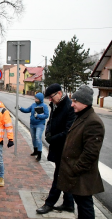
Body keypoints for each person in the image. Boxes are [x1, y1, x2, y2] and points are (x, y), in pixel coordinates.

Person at [57, 85, 104, 219]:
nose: (72, 105)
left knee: (85, 206)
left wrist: (75, 169)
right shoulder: (82, 116)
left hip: (82, 175)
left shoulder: (93, 122)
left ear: (84, 103)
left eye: (75, 101)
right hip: (76, 174)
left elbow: (90, 153)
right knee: (81, 205)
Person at [36, 83, 75, 214]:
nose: (50, 100)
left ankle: (49, 204)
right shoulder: (56, 105)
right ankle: (69, 203)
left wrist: (53, 138)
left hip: (65, 149)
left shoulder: (69, 107)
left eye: (51, 97)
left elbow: (68, 131)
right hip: (57, 146)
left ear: (59, 93)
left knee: (58, 177)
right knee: (64, 175)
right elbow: (50, 121)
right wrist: (47, 132)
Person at [18, 92, 49, 161]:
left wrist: (38, 116)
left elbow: (46, 115)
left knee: (38, 137)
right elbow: (27, 110)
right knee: (33, 138)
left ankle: (39, 154)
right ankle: (35, 151)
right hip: (32, 124)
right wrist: (20, 108)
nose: (35, 99)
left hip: (40, 124)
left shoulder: (44, 106)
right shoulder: (33, 105)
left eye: (37, 98)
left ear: (40, 99)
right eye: (35, 97)